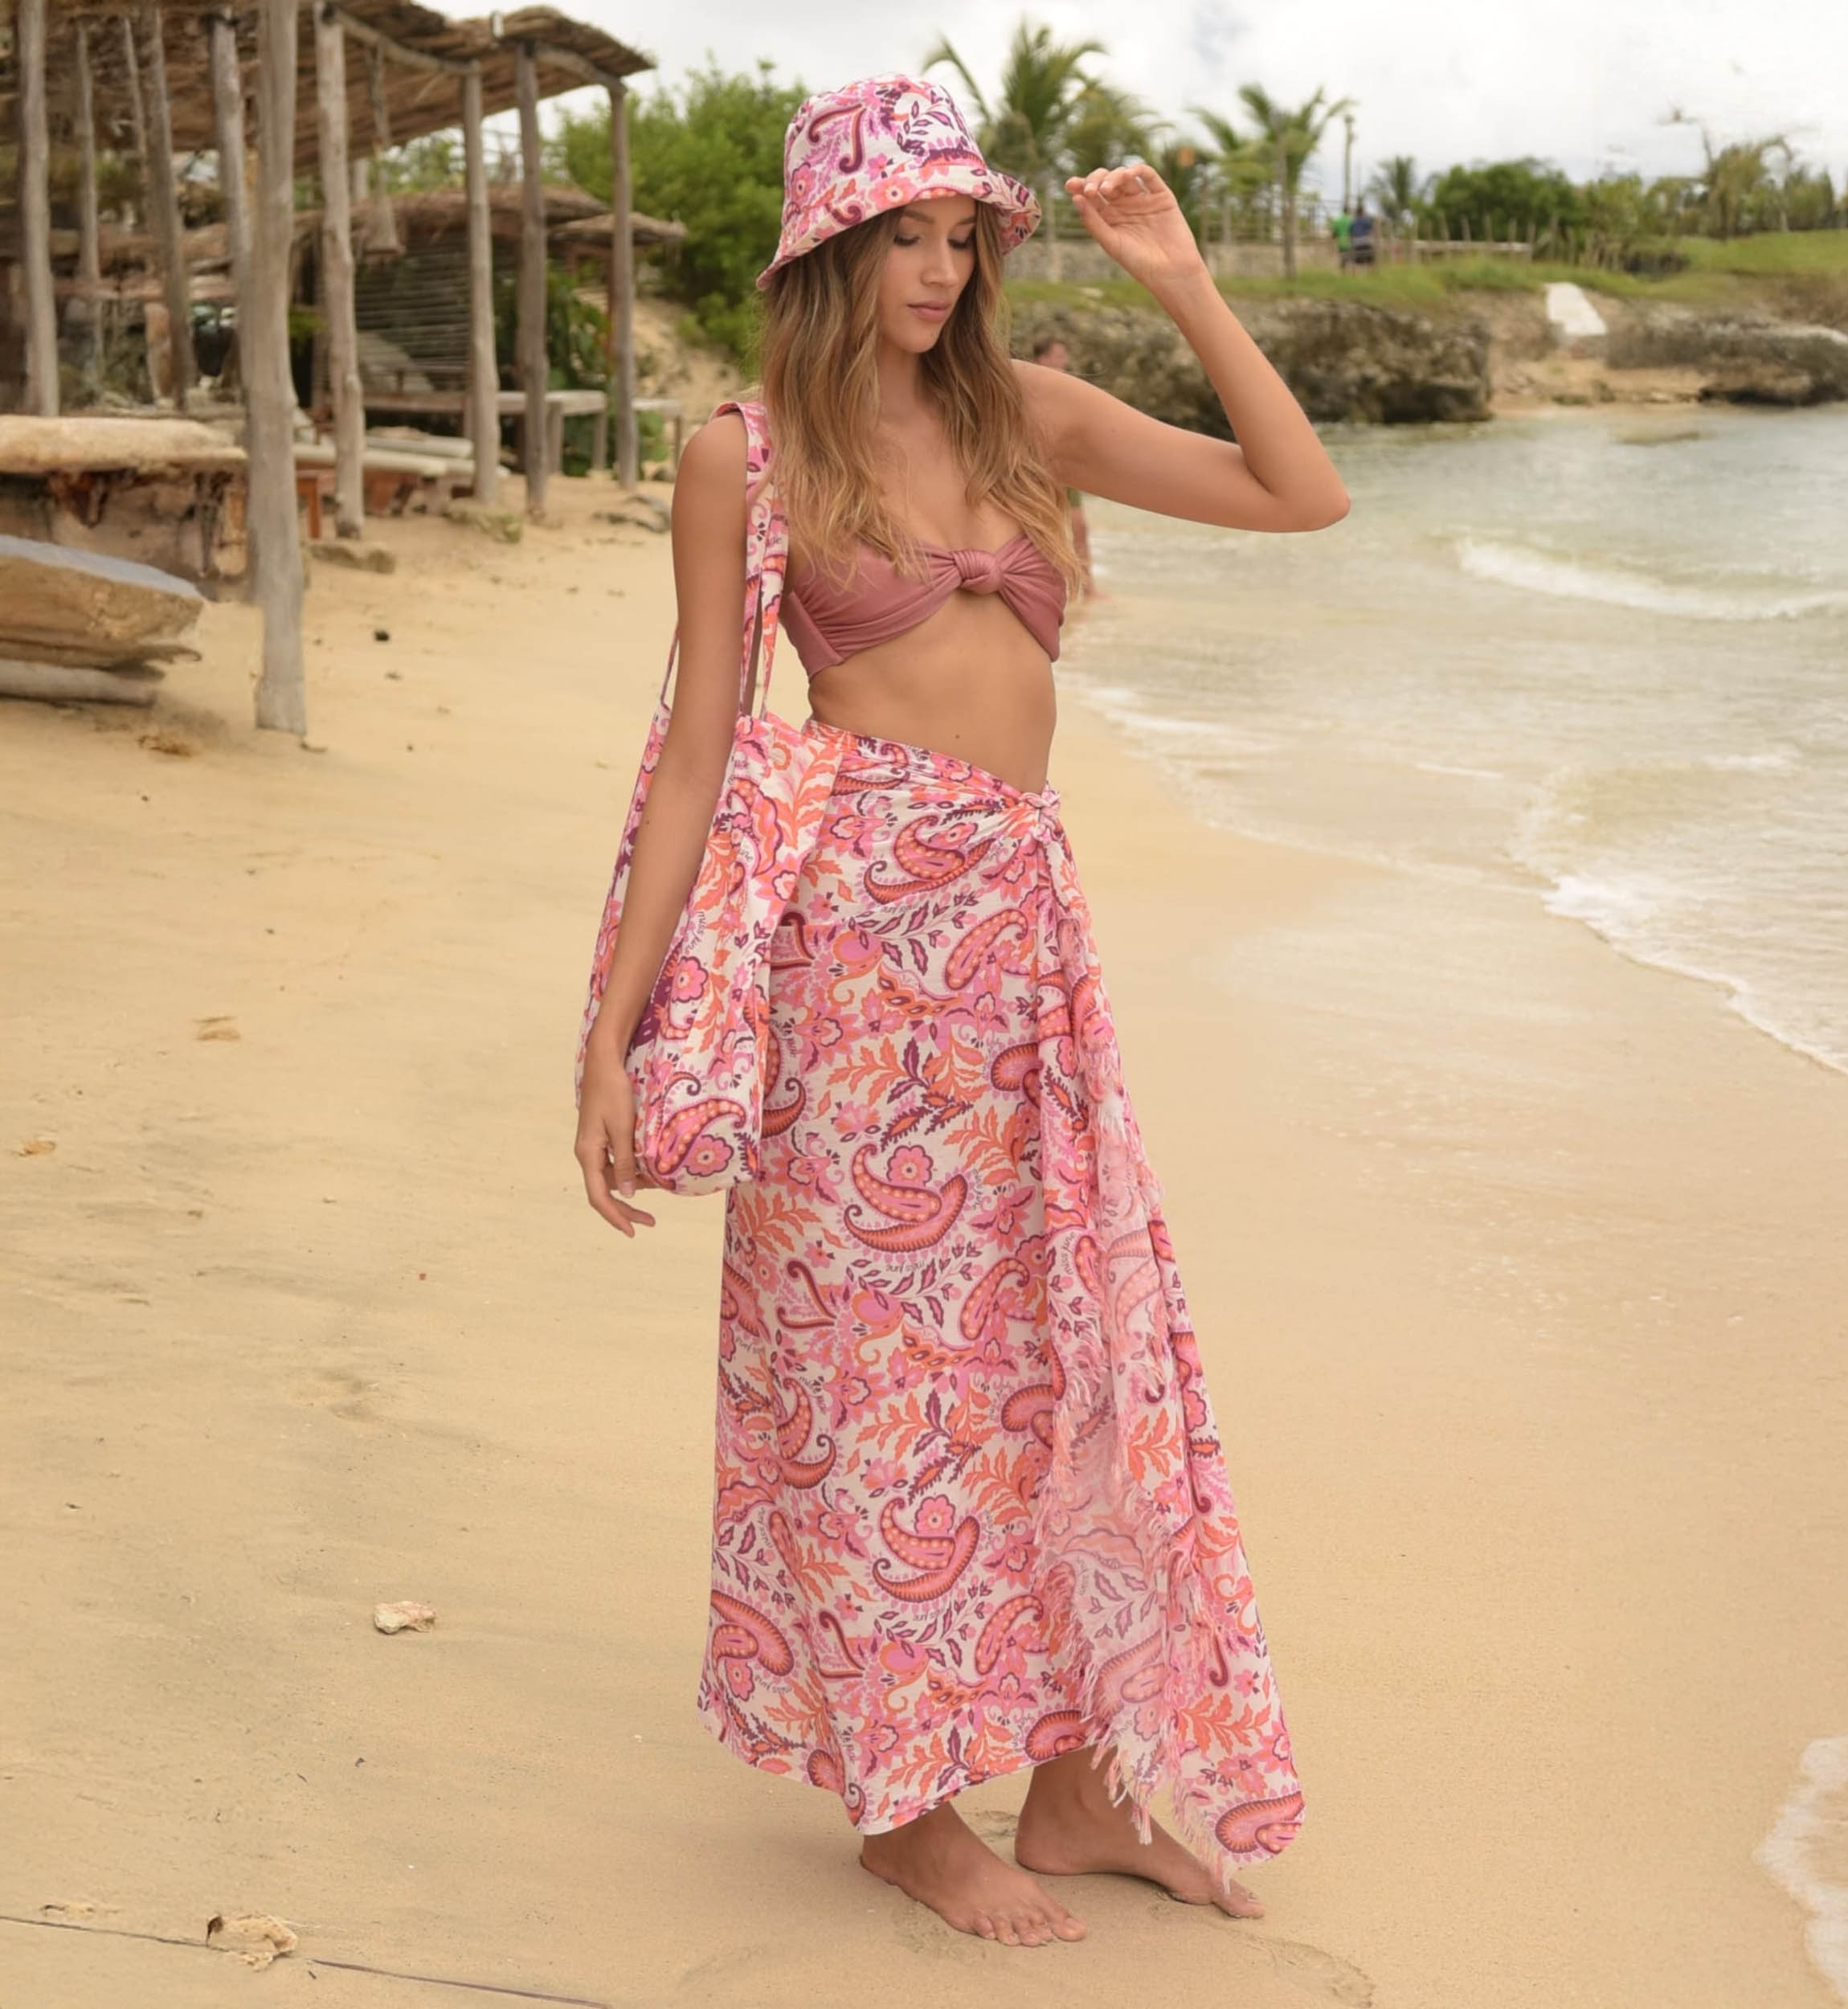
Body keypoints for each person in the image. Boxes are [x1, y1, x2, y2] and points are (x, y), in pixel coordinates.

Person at [574, 74, 1348, 1950]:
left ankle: (1078, 1786)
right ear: (825, 252)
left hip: (1020, 942)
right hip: (852, 958)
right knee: (876, 1374)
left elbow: (1299, 493)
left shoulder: (1030, 419)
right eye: (899, 236)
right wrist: (611, 1028)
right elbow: (696, 753)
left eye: (957, 234)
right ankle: (907, 1805)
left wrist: (1179, 283)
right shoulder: (745, 457)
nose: (935, 268)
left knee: (1066, 1352)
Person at [1029, 333, 1098, 598]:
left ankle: (1088, 587)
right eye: (1058, 356)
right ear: (1043, 359)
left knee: (1079, 527)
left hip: (1065, 467)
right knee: (1042, 531)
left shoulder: (1068, 387)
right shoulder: (1029, 386)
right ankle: (1045, 589)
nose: (1064, 361)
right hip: (1036, 468)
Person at [1350, 198, 1376, 269]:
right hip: (1365, 241)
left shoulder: (1353, 221)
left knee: (1357, 256)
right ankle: (1371, 269)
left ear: (1356, 213)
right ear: (1362, 212)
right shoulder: (1365, 220)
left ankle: (1356, 269)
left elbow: (1351, 232)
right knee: (1371, 255)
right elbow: (1371, 227)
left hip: (1356, 242)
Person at [1332, 204, 1354, 272]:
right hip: (1349, 241)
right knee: (1348, 256)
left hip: (1340, 242)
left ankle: (1343, 270)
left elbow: (1334, 233)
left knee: (1342, 256)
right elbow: (1353, 231)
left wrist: (1334, 237)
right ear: (1348, 211)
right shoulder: (1351, 220)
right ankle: (1346, 270)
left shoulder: (1338, 220)